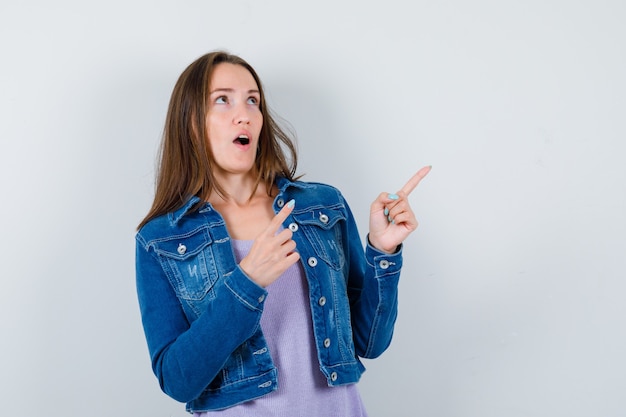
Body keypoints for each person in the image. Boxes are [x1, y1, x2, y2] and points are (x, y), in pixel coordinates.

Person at [135, 50, 431, 416]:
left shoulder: (322, 206)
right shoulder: (161, 239)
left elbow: (369, 342)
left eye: (253, 101)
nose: (243, 114)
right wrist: (247, 283)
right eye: (222, 100)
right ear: (192, 122)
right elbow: (178, 380)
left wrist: (382, 252)